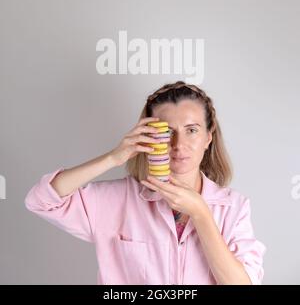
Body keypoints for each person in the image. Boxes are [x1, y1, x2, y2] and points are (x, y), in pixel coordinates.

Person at [25, 81, 266, 285]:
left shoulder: (234, 207)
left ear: (208, 138)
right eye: (167, 132)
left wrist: (201, 213)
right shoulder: (118, 200)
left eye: (191, 130)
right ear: (149, 136)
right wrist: (112, 157)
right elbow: (41, 201)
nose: (178, 144)